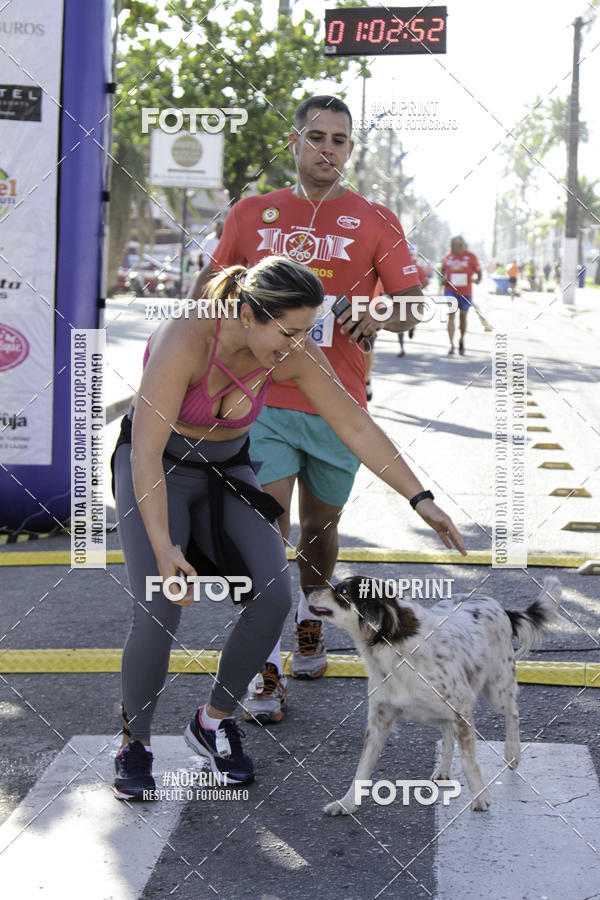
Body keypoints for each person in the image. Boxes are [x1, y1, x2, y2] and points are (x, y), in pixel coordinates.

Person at [112, 255, 465, 799]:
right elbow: (146, 454)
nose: (298, 343)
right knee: (160, 607)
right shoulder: (187, 337)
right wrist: (163, 545)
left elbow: (354, 423)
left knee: (274, 598)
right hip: (157, 467)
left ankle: (213, 722)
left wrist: (420, 498)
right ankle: (135, 742)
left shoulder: (293, 352)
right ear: (249, 313)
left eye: (306, 329)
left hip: (228, 469)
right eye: (289, 330)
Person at [192, 95, 423, 723]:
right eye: (316, 137)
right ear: (294, 143)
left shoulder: (375, 218)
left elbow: (411, 304)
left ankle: (311, 610)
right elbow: (208, 295)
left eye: (340, 140)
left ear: (350, 150)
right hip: (259, 399)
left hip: (336, 402)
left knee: (319, 531)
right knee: (265, 529)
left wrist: (375, 313)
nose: (328, 148)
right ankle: (263, 666)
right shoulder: (250, 212)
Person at [441, 236, 482, 356]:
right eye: (451, 245)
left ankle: (461, 339)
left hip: (466, 292)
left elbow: (479, 271)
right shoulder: (448, 256)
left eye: (454, 246)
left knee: (463, 317)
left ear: (461, 246)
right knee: (451, 315)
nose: (452, 248)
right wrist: (442, 279)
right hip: (450, 290)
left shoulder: (471, 256)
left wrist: (478, 279)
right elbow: (442, 271)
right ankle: (451, 344)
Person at [397, 253, 429, 357]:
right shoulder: (417, 268)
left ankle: (402, 347)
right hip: (408, 299)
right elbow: (426, 282)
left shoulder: (399, 267)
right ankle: (410, 330)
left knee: (401, 322)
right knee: (404, 321)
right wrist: (419, 290)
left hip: (404, 298)